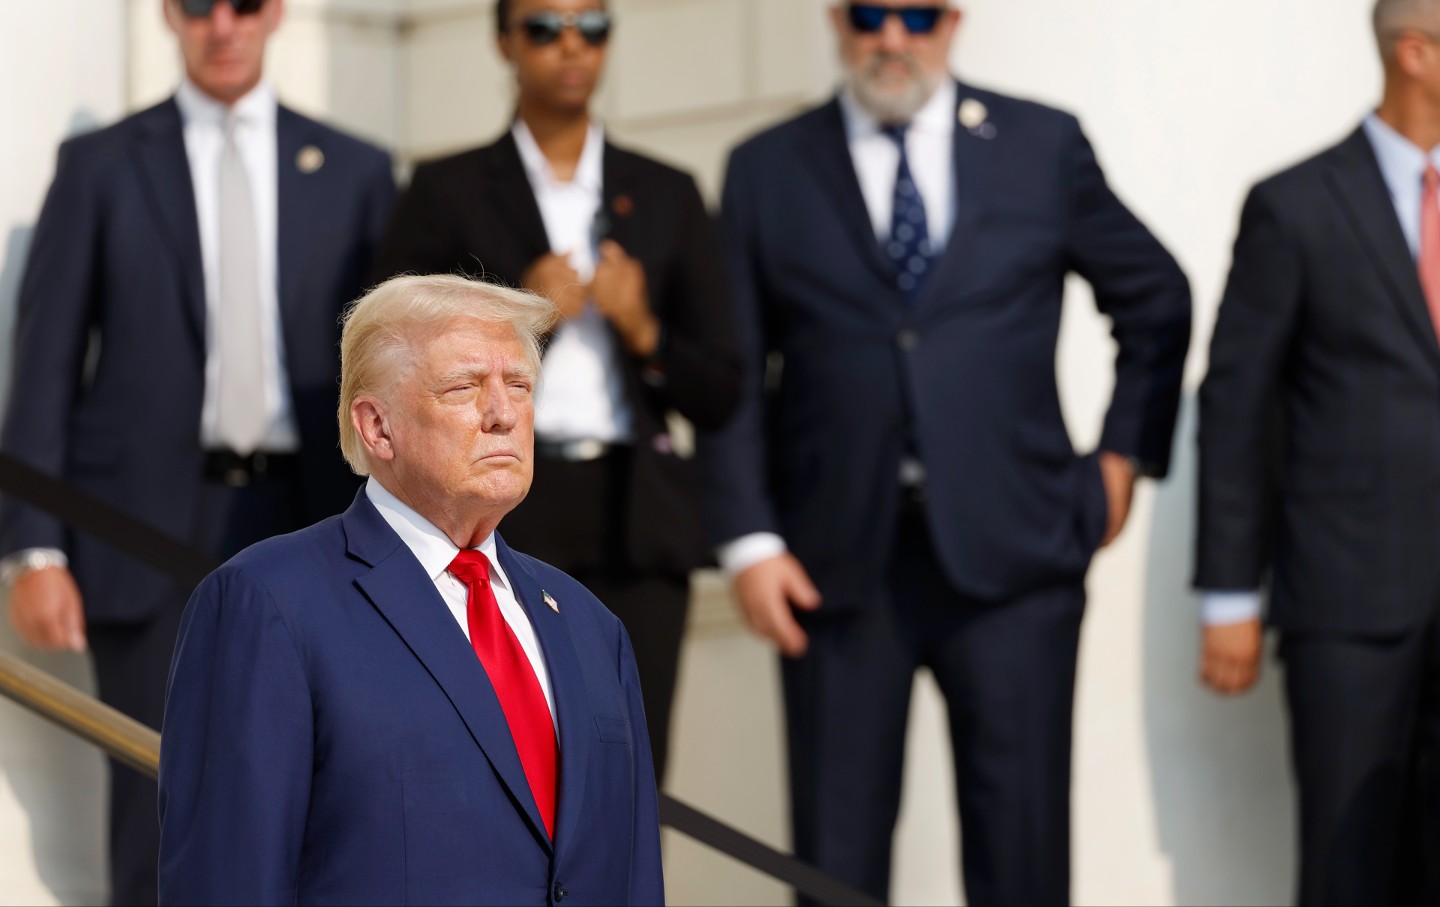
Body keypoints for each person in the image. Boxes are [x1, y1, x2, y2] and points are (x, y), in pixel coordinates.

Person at [701, 2, 1191, 903]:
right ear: (835, 22)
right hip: (832, 569)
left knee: (1022, 857)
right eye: (870, 14)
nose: (894, 37)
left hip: (1018, 559)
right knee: (833, 864)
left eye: (917, 14)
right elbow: (732, 372)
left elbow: (1156, 298)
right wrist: (750, 541)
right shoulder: (766, 168)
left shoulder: (1041, 145)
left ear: (954, 21)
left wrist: (1121, 458)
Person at [0, 1, 394, 902]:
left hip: (314, 527)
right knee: (157, 812)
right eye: (197, 5)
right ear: (169, 17)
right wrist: (32, 545)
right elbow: (46, 363)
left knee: (323, 804)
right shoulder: (100, 166)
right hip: (138, 535)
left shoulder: (360, 171)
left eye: (244, 3)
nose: (223, 25)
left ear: (277, 13)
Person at [157, 274, 663, 906]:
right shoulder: (268, 603)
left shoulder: (592, 626)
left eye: (520, 387)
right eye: (465, 387)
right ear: (377, 427)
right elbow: (227, 884)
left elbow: (633, 877)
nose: (503, 413)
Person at [371, 0, 739, 784]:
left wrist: (648, 333)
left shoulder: (667, 192)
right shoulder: (446, 190)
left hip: (637, 515)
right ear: (504, 40)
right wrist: (520, 311)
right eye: (543, 27)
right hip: (498, 508)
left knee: (632, 773)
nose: (570, 46)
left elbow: (723, 386)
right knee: (496, 761)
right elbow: (390, 357)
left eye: (592, 26)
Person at [1196, 1, 1440, 901]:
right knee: (1351, 862)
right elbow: (1236, 404)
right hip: (1349, 604)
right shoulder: (1295, 205)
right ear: (1415, 53)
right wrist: (1228, 592)